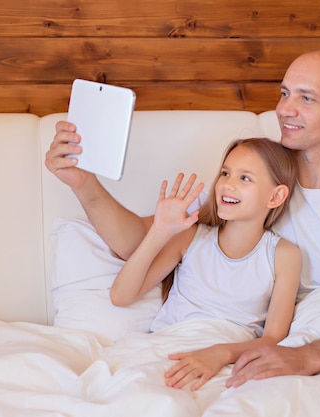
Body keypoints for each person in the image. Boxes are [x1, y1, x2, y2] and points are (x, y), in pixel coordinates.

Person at [45, 48, 320, 388]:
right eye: (284, 93)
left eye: (306, 98)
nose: (284, 109)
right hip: (216, 344)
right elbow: (139, 245)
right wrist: (83, 184)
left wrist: (306, 356)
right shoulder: (248, 181)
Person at [108, 138, 301, 391]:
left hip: (230, 358)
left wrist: (218, 354)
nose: (227, 185)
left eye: (245, 178)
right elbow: (121, 296)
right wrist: (159, 231)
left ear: (276, 196)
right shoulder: (191, 237)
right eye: (225, 173)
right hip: (168, 348)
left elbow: (274, 338)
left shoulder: (284, 255)